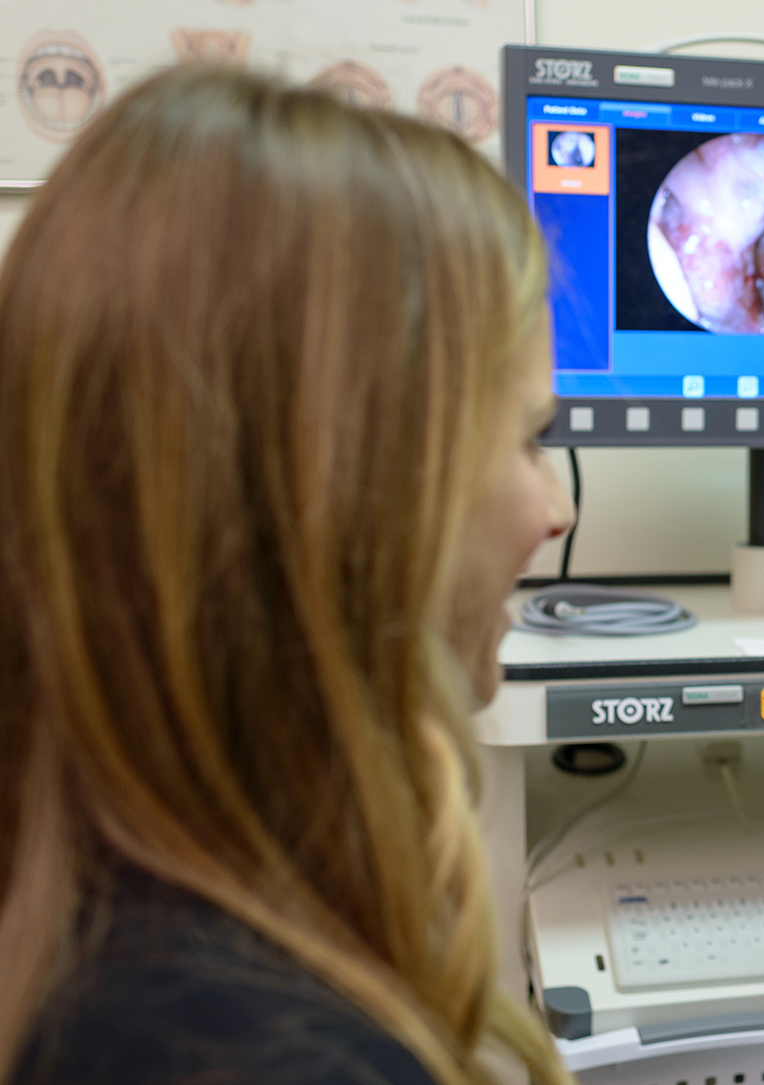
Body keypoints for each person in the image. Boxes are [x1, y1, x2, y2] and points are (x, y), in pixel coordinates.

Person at [0, 67, 575, 1085]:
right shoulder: (268, 1053)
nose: (555, 511)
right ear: (359, 493)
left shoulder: (86, 941)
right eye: (532, 437)